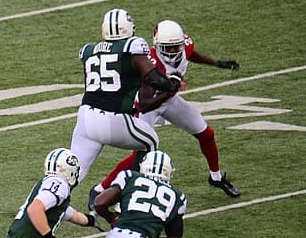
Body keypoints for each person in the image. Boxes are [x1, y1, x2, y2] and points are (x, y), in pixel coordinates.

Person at [86, 19, 241, 203]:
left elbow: (190, 53)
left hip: (169, 99)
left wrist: (217, 63)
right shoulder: (150, 63)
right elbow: (145, 104)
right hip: (146, 107)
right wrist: (171, 89)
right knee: (141, 153)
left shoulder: (185, 46)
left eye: (176, 47)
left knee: (206, 134)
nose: (173, 52)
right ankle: (101, 188)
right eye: (169, 48)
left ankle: (216, 177)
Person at [69, 8, 179, 201]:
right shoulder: (132, 46)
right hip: (112, 118)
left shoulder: (89, 50)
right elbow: (154, 77)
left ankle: (40, 203)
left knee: (71, 173)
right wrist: (172, 84)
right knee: (150, 141)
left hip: (85, 119)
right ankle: (132, 194)